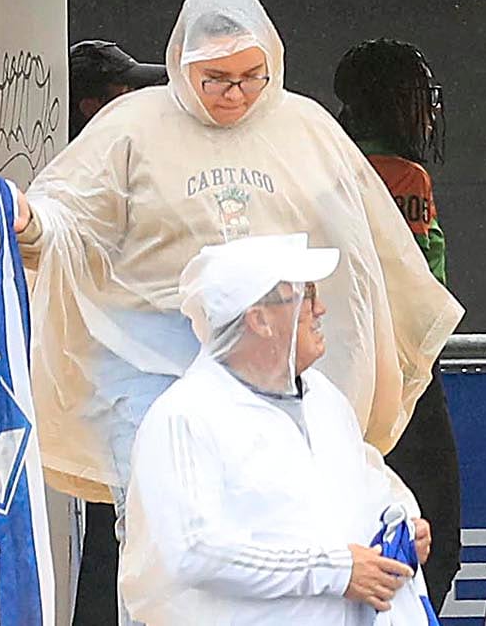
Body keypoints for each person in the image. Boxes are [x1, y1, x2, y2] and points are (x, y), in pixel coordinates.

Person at [14, 0, 459, 524]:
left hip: (282, 380)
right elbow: (70, 214)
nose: (236, 92)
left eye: (252, 75)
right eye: (216, 77)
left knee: (278, 532)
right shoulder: (132, 126)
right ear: (181, 65)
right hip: (153, 371)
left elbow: (373, 249)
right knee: (171, 532)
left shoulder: (305, 128)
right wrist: (31, 223)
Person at [120, 237, 428, 626]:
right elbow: (194, 552)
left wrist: (402, 526)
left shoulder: (324, 399)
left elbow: (362, 483)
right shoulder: (184, 417)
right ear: (259, 319)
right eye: (306, 295)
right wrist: (335, 570)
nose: (320, 309)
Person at [329, 39, 463, 618]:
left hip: (336, 363)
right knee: (434, 523)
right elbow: (424, 279)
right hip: (401, 368)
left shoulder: (329, 157)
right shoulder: (405, 175)